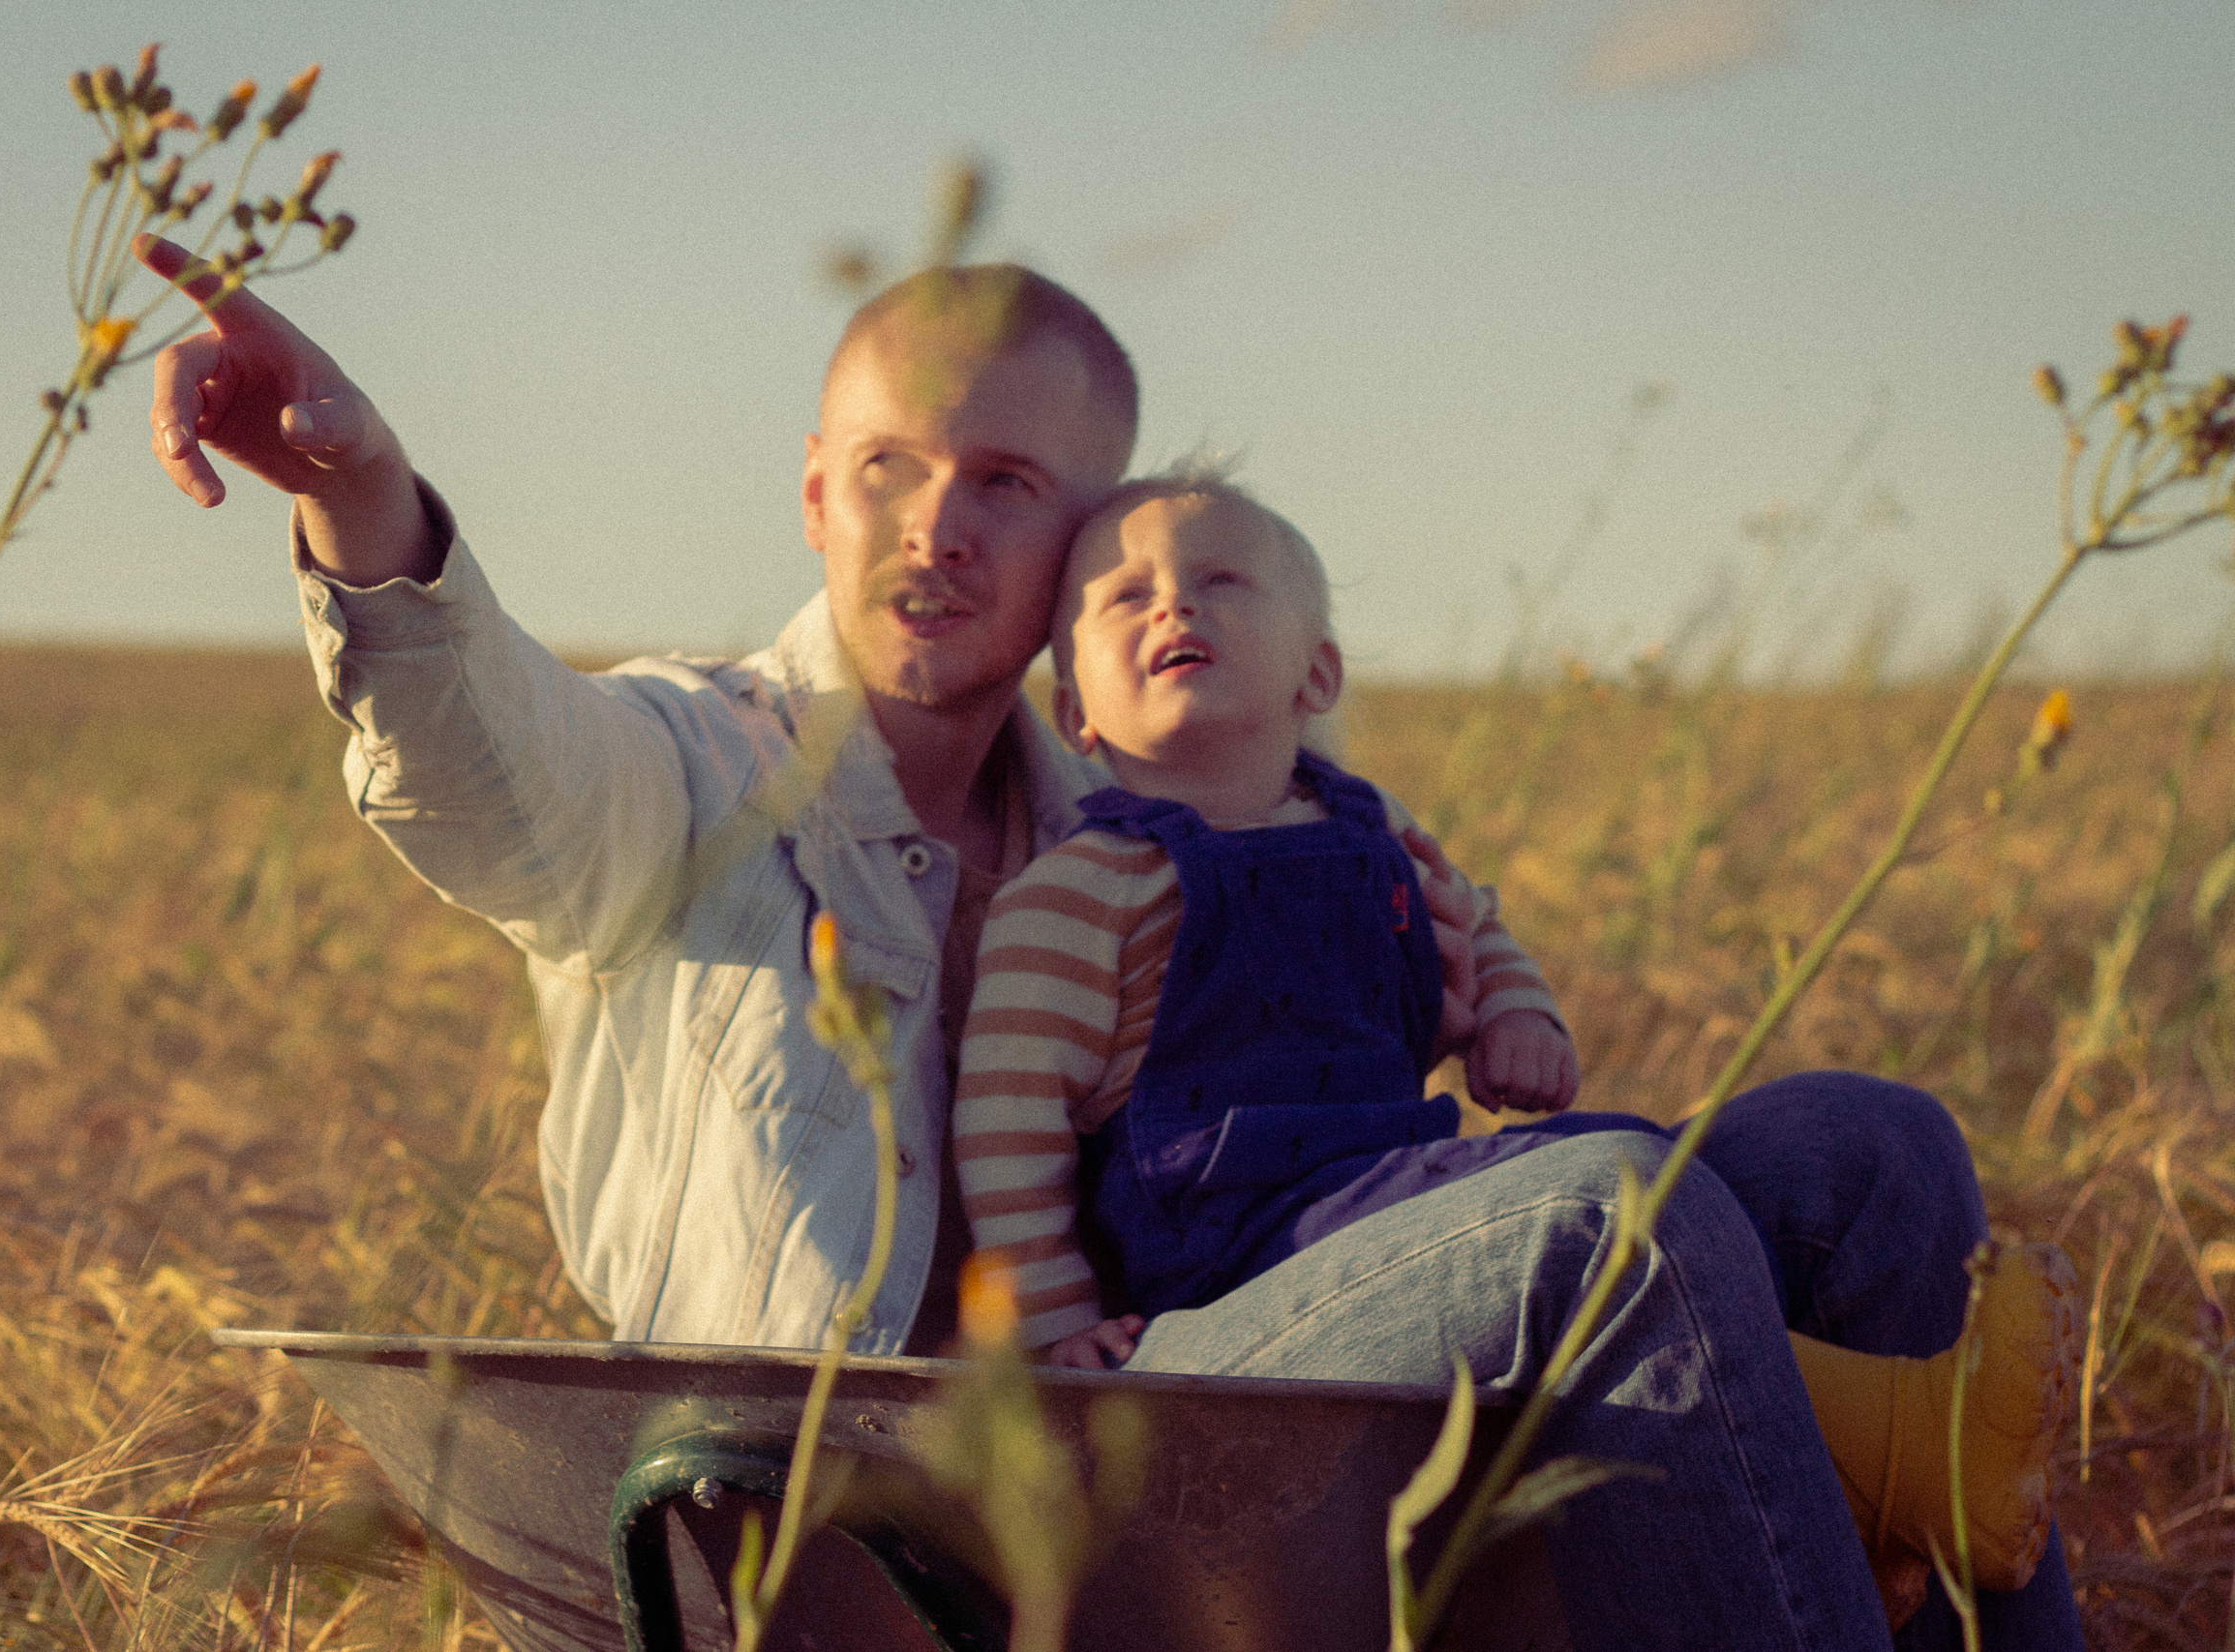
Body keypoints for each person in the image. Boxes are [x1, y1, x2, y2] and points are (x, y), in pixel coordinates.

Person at [135, 234, 2085, 1648]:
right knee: (1605, 1226)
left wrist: (1489, 1019)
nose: (936, 525)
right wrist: (369, 512)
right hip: (906, 1474)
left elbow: (1359, 989)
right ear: (815, 494)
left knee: (1861, 1149)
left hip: (1199, 1378)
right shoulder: (696, 765)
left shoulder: (1141, 828)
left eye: (1006, 483)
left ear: (1084, 551)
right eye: (889, 467)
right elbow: (499, 784)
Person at [951, 472, 2080, 1627]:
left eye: (1219, 580)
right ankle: (1885, 1454)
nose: (1171, 607)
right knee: (1618, 1201)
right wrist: (1050, 1320)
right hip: (1233, 1270)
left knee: (1872, 1136)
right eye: (1123, 596)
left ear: (1318, 674)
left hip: (1389, 1199)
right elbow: (1007, 1114)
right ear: (1074, 714)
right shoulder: (1078, 893)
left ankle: (1925, 1483)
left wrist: (1512, 1020)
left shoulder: (1379, 834)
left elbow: (1479, 931)